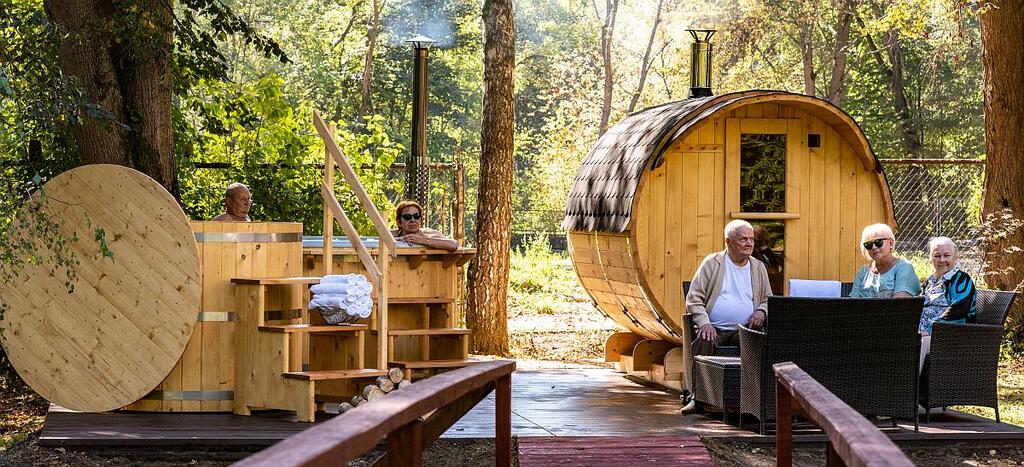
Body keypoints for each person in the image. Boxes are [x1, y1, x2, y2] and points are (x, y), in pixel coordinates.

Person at [681, 219, 771, 415]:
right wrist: (704, 323)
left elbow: (767, 299)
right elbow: (694, 299)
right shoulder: (712, 264)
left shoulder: (758, 267)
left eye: (751, 239)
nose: (749, 244)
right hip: (716, 328)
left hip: (745, 328)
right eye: (743, 239)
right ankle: (698, 399)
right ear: (728, 242)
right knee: (704, 339)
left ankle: (752, 402)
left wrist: (760, 311)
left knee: (758, 343)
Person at [919, 236, 977, 370]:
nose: (942, 260)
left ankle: (908, 385)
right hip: (924, 334)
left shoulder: (961, 279)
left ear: (955, 257)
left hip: (949, 336)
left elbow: (959, 310)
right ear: (930, 258)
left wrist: (928, 330)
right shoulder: (930, 282)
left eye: (947, 255)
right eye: (937, 256)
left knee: (920, 343)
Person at [849, 223, 920, 298]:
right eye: (868, 244)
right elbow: (853, 301)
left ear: (891, 242)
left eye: (878, 242)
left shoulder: (904, 267)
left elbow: (900, 304)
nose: (873, 247)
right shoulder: (863, 271)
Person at [391, 200, 459, 252]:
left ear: (420, 219)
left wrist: (420, 240)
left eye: (416, 216)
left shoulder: (428, 233)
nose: (413, 220)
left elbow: (453, 245)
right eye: (407, 217)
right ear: (399, 221)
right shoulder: (393, 235)